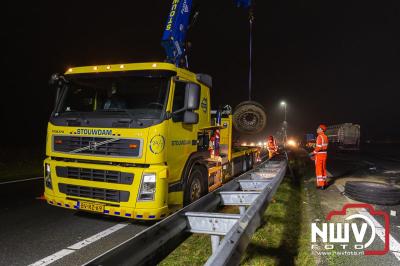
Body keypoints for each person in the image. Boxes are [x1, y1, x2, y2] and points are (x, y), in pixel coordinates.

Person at [310, 124, 329, 189]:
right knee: (323, 168)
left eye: (318, 128)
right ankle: (324, 183)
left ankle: (321, 185)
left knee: (319, 169)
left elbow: (318, 147)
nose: (316, 129)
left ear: (321, 129)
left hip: (319, 154)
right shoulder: (325, 137)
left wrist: (312, 153)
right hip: (324, 154)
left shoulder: (319, 137)